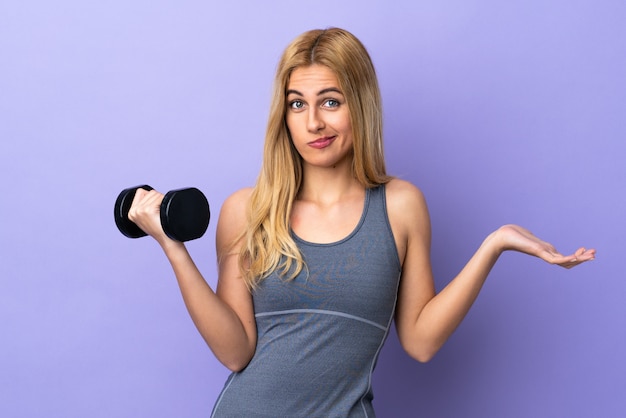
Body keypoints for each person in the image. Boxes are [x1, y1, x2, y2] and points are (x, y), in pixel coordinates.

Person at [128, 27, 595, 417]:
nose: (313, 122)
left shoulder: (401, 206)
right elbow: (235, 351)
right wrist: (174, 249)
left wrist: (494, 244)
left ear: (360, 104)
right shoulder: (247, 211)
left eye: (330, 101)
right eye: (297, 104)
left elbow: (421, 341)